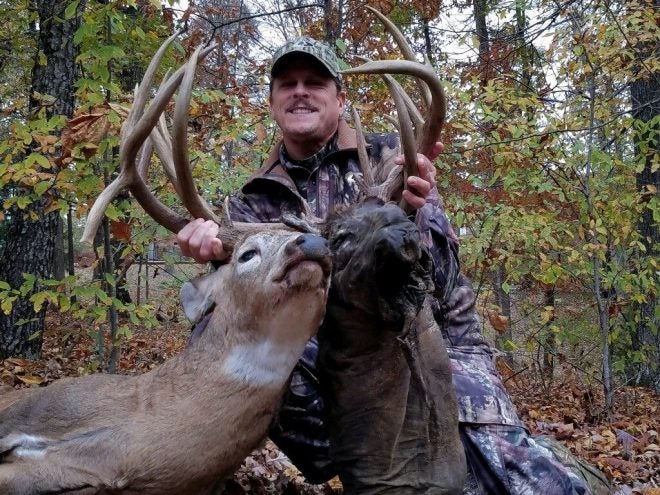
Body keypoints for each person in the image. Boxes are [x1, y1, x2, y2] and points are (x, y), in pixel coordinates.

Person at [177, 37, 610, 494]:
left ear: (340, 99)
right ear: (272, 102)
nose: (300, 91)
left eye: (314, 83)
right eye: (287, 84)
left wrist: (415, 216)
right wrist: (217, 261)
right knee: (213, 330)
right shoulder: (250, 206)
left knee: (533, 486)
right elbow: (250, 317)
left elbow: (441, 283)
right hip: (334, 365)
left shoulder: (394, 159)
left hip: (430, 349)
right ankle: (351, 458)